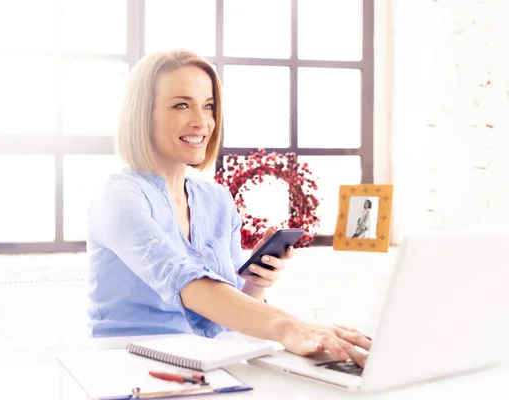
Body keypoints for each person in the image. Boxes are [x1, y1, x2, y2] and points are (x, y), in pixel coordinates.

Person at [86, 49, 371, 367]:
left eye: (208, 106)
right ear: (142, 114)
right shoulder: (119, 196)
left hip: (209, 365)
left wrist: (257, 283)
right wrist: (289, 326)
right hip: (129, 370)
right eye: (181, 105)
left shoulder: (216, 200)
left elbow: (233, 315)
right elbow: (187, 283)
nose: (201, 121)